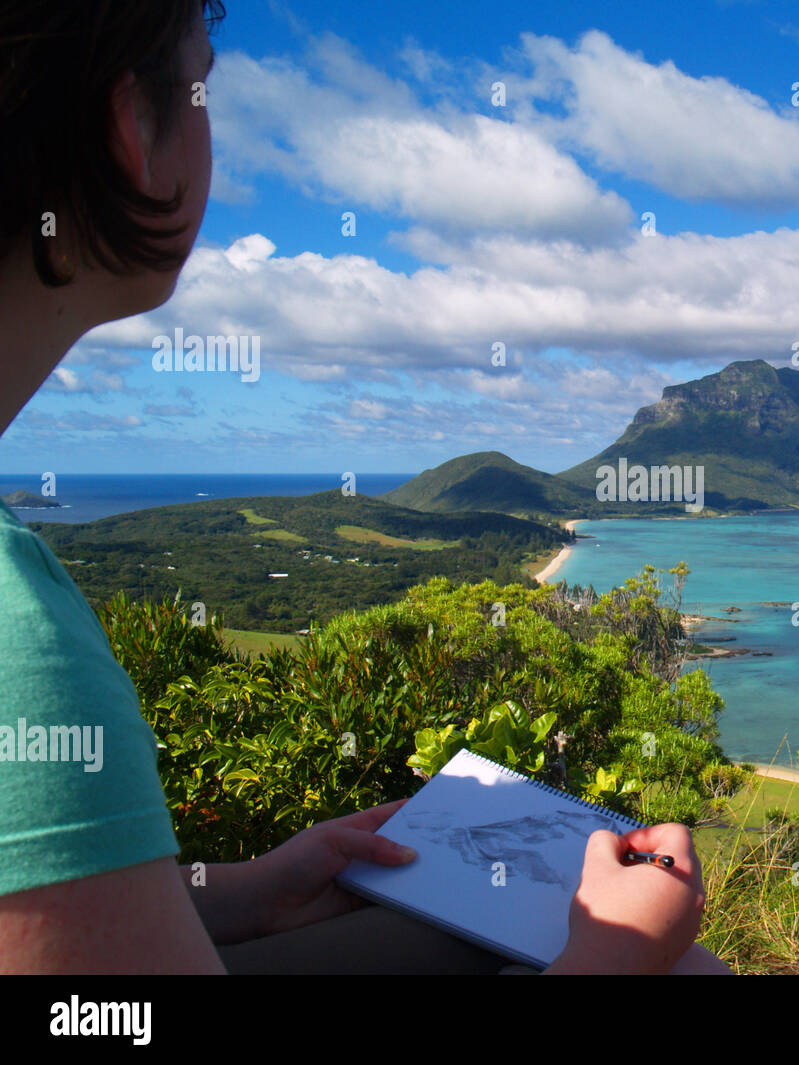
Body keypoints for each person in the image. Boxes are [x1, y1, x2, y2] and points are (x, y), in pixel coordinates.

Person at [0, 0, 729, 975]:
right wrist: (615, 957)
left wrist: (250, 891)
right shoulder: (22, 644)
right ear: (131, 126)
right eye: (204, 83)